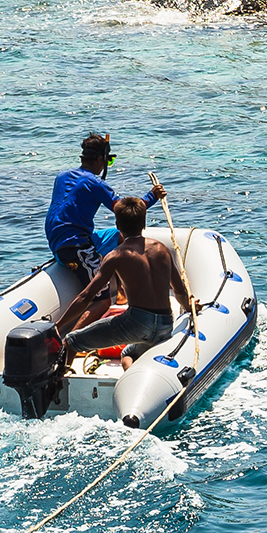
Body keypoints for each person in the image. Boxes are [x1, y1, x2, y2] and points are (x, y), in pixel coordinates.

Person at [54, 193, 193, 370]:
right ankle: (132, 377)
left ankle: (61, 382)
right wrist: (190, 307)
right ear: (143, 224)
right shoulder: (162, 249)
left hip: (137, 324)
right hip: (165, 324)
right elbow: (179, 291)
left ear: (118, 225)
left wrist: (58, 326)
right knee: (128, 353)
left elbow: (86, 296)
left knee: (72, 341)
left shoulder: (116, 255)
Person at [44, 132, 158, 274]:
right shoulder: (95, 184)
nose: (106, 166)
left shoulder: (61, 176)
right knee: (101, 288)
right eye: (108, 161)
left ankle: (123, 279)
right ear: (100, 159)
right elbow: (127, 212)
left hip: (56, 242)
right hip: (73, 247)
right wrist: (152, 196)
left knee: (119, 236)